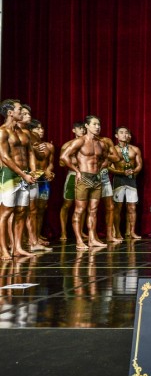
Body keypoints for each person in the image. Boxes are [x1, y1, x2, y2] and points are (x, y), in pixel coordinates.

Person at [60, 115, 114, 250]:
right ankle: (79, 240)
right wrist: (76, 171)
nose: (97, 127)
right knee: (79, 210)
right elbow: (64, 157)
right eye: (94, 124)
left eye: (99, 124)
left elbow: (108, 158)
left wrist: (101, 167)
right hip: (83, 177)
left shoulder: (101, 143)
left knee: (93, 210)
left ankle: (92, 239)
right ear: (87, 126)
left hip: (96, 179)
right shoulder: (80, 141)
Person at [0, 99, 37, 259]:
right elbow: (5, 157)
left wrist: (33, 171)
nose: (22, 112)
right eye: (19, 109)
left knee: (21, 211)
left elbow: (30, 153)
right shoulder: (2, 132)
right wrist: (23, 175)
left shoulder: (24, 133)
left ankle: (18, 248)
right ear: (10, 113)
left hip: (25, 174)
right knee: (6, 212)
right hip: (9, 175)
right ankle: (3, 249)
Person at [110, 126, 143, 239]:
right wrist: (121, 172)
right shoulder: (113, 150)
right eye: (121, 132)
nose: (124, 134)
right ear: (116, 135)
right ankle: (117, 232)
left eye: (126, 132)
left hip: (131, 179)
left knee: (132, 207)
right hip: (118, 179)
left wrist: (134, 171)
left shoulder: (135, 149)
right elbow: (108, 167)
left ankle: (132, 232)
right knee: (117, 207)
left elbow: (139, 165)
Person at [27, 119, 55, 249]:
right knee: (29, 210)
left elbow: (51, 163)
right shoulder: (27, 145)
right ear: (31, 131)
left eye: (42, 128)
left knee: (41, 208)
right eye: (37, 128)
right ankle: (28, 237)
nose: (41, 130)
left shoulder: (49, 146)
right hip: (32, 178)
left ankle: (37, 236)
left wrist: (49, 170)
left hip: (43, 180)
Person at [59, 122, 86, 241]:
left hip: (85, 176)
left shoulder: (88, 144)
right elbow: (61, 163)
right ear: (74, 130)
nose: (82, 131)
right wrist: (73, 161)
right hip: (73, 175)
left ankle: (80, 231)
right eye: (80, 129)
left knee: (83, 205)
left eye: (84, 129)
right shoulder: (68, 145)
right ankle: (63, 232)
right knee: (67, 204)